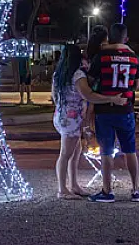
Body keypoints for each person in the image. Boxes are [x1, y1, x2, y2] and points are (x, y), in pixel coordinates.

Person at [52, 45, 122, 199]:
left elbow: (54, 97)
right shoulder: (77, 75)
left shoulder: (59, 74)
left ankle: (74, 185)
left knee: (75, 152)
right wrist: (111, 99)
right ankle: (62, 190)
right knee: (65, 154)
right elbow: (89, 95)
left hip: (62, 116)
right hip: (71, 119)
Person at [87, 23, 139, 203]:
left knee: (106, 152)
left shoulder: (101, 57)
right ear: (125, 37)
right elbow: (136, 85)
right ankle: (135, 189)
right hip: (125, 108)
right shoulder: (134, 57)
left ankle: (107, 190)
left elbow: (91, 80)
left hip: (104, 110)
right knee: (130, 150)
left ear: (109, 38)